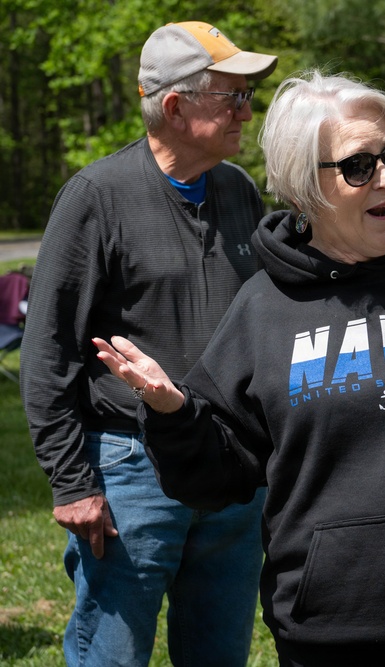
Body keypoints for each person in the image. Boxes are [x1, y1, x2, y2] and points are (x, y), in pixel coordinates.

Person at [92, 69, 385, 666]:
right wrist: (174, 411)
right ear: (303, 186)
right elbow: (216, 478)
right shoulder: (263, 310)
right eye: (358, 166)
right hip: (335, 637)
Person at [20, 21, 278, 666]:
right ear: (174, 105)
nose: (248, 109)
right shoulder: (95, 197)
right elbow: (48, 349)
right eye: (233, 96)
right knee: (112, 655)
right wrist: (72, 481)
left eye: (249, 95)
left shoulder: (239, 191)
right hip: (133, 470)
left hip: (231, 469)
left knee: (219, 655)